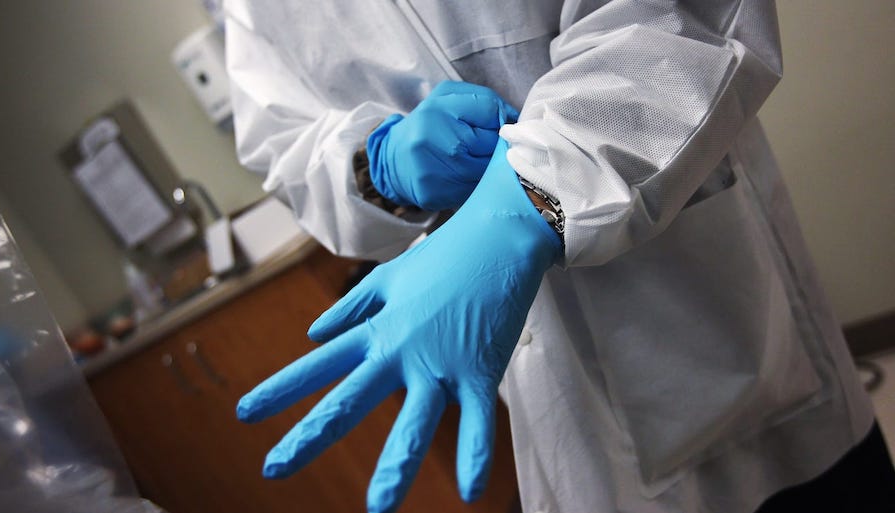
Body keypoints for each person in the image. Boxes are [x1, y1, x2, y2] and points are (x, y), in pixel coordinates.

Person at [223, 1, 895, 512]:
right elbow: (281, 143)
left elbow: (675, 20)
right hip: (526, 360)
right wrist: (379, 163)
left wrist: (522, 202)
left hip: (697, 291)